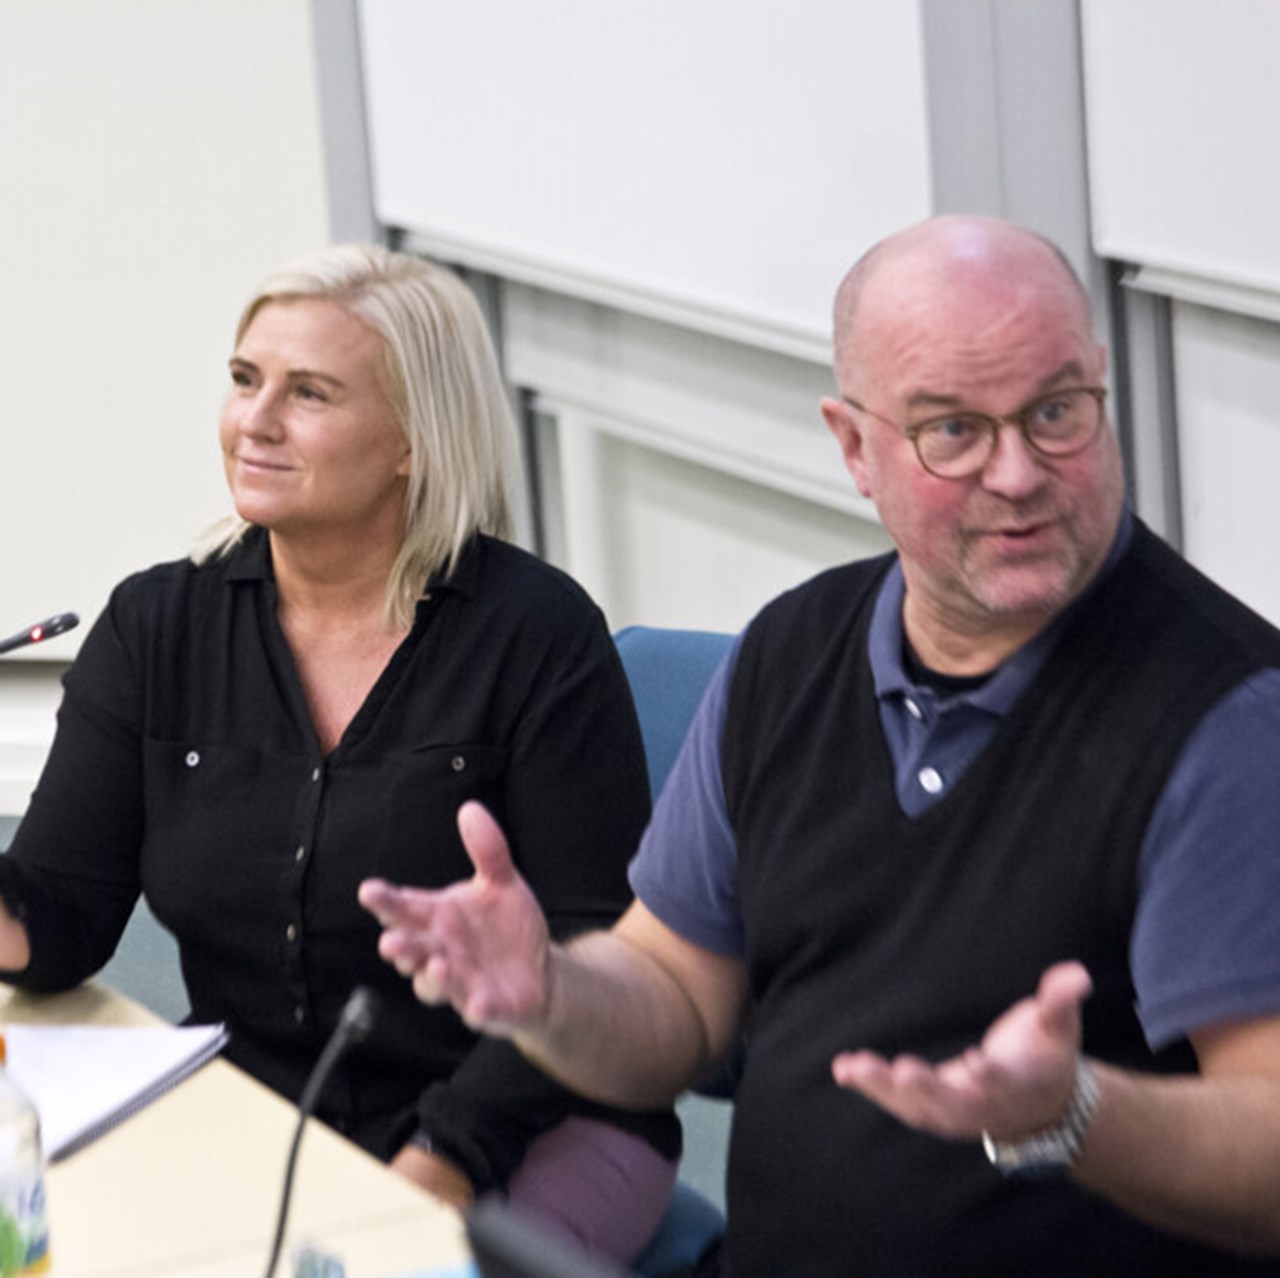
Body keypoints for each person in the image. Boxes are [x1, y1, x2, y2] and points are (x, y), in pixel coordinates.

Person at [359, 217, 1280, 1276]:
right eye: (953, 432)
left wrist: (1072, 1114)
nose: (1019, 472)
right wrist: (549, 996)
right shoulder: (792, 653)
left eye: (1056, 413)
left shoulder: (1225, 718)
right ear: (853, 446)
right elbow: (674, 1001)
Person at [0, 244, 678, 1262]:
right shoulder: (159, 623)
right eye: (244, 380)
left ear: (412, 439)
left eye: (308, 393)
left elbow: (592, 956)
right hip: (265, 1106)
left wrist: (432, 1169)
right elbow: (55, 921)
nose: (254, 422)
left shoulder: (536, 636)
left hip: (532, 1114)